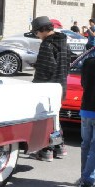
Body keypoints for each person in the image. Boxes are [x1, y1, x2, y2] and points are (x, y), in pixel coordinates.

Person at [30, 16, 70, 161]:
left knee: (45, 120)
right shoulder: (64, 42)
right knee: (55, 117)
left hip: (47, 87)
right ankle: (59, 147)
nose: (37, 36)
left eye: (36, 33)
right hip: (61, 85)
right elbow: (65, 64)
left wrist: (35, 85)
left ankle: (46, 150)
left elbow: (45, 69)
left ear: (42, 30)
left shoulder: (47, 45)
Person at [77, 44, 95, 187]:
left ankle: (86, 176)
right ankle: (86, 181)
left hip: (86, 109)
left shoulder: (88, 62)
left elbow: (84, 84)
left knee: (86, 145)